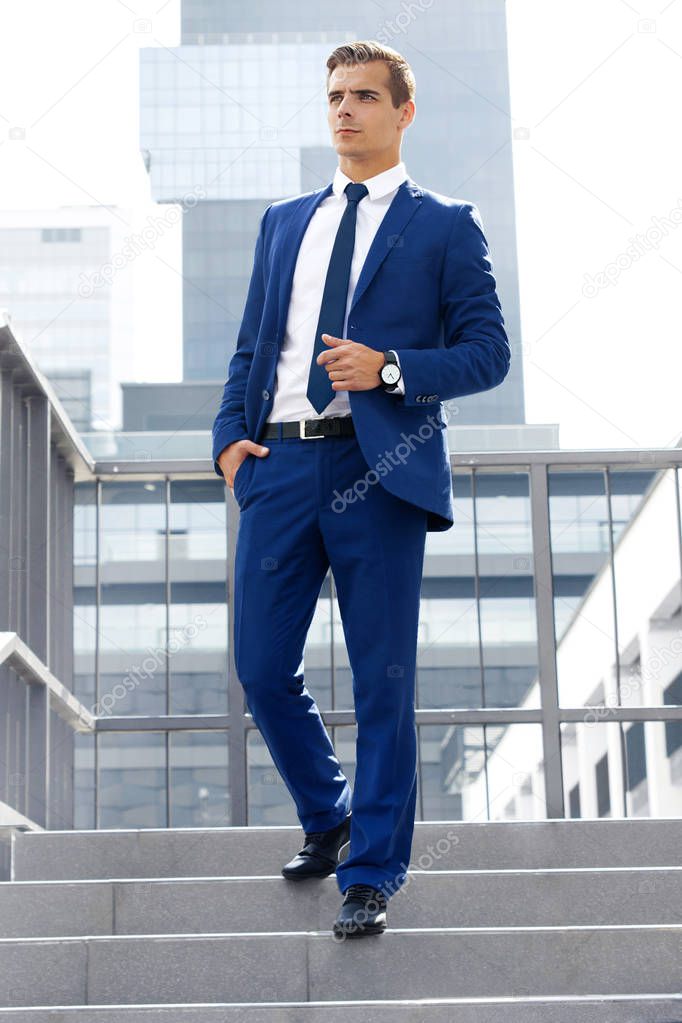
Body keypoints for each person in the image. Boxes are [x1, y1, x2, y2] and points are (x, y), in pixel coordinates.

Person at [211, 40, 510, 939]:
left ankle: (372, 871)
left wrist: (388, 371)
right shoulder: (283, 222)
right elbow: (251, 347)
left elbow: (488, 355)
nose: (345, 110)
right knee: (262, 665)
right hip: (281, 468)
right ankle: (329, 813)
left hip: (380, 468)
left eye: (365, 97)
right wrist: (230, 438)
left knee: (385, 680)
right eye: (335, 96)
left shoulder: (447, 224)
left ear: (403, 111)